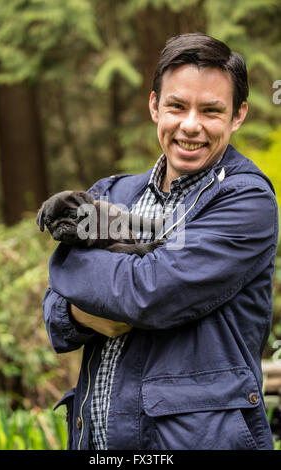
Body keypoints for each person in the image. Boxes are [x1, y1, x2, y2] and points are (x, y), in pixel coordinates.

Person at [43, 33, 278, 450]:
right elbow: (54, 318)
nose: (191, 125)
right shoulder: (114, 193)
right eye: (176, 106)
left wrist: (68, 268)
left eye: (210, 110)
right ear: (154, 106)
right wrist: (82, 310)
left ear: (238, 115)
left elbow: (147, 293)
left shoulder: (246, 199)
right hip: (97, 440)